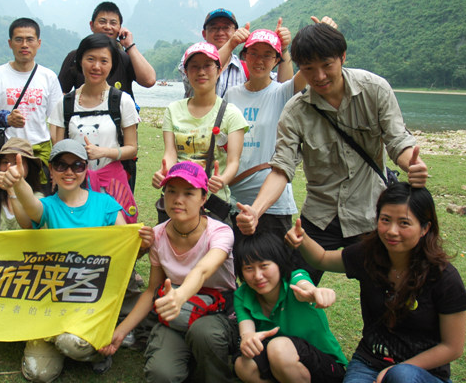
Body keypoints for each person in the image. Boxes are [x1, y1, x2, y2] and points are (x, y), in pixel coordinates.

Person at [235, 22, 429, 284]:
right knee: (294, 284)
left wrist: (411, 164)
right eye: (308, 68)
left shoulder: (374, 89)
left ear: (342, 57)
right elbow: (281, 168)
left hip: (369, 210)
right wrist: (256, 211)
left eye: (327, 65)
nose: (319, 76)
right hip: (320, 214)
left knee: (379, 288)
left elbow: (397, 140)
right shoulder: (295, 111)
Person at [286, 183, 466, 383]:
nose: (392, 231)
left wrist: (395, 371)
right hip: (370, 362)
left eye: (404, 223)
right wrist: (303, 239)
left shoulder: (443, 277)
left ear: (425, 228)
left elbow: (453, 347)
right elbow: (322, 258)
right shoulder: (369, 255)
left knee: (403, 379)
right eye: (385, 220)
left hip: (424, 375)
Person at [0, 139, 150, 383]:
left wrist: (142, 245)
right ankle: (59, 339)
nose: (69, 172)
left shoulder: (105, 204)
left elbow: (124, 249)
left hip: (91, 300)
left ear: (85, 169)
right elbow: (31, 206)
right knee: (39, 373)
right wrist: (18, 183)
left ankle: (93, 350)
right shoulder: (47, 207)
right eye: (61, 165)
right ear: (51, 169)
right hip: (52, 300)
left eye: (77, 165)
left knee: (71, 343)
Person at [101, 161, 237, 383]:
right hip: (176, 314)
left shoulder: (220, 233)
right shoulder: (158, 235)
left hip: (216, 311)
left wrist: (180, 295)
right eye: (171, 191)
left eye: (188, 193)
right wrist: (119, 333)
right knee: (160, 376)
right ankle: (194, 359)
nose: (178, 200)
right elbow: (151, 290)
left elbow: (203, 270)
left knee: (204, 334)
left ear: (203, 199)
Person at [225, 16, 335, 237]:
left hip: (273, 202)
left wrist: (323, 35)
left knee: (272, 259)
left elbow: (308, 69)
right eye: (253, 53)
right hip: (233, 199)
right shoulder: (231, 95)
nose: (259, 60)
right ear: (244, 56)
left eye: (268, 55)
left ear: (277, 60)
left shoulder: (283, 92)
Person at [232, 232, 347, 383]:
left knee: (278, 346)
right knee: (243, 364)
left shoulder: (294, 279)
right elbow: (247, 330)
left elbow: (304, 286)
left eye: (264, 266)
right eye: (248, 268)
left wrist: (314, 293)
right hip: (283, 366)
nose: (258, 275)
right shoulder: (243, 294)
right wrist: (247, 340)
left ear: (279, 263)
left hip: (327, 373)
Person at [153, 41, 248, 224]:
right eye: (194, 67)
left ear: (219, 70)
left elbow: (233, 161)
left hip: (213, 201)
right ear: (186, 73)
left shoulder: (231, 114)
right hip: (178, 198)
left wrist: (222, 179)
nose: (201, 72)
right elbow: (171, 153)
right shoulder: (173, 110)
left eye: (207, 66)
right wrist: (163, 172)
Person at [49, 33, 139, 224]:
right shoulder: (64, 104)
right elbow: (57, 150)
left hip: (112, 183)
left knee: (118, 234)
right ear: (80, 60)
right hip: (74, 184)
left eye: (104, 61)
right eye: (90, 59)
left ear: (112, 65)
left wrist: (103, 152)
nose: (96, 66)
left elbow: (132, 149)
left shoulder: (122, 101)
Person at [0, 17, 62, 174]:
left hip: (40, 149)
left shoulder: (48, 77)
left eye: (30, 39)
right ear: (10, 43)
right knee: (9, 188)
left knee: (41, 189)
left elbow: (56, 122)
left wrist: (58, 159)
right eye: (19, 39)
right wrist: (6, 118)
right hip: (9, 148)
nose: (24, 45)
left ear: (38, 43)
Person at [57, 1, 156, 100]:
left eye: (113, 23)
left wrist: (129, 45)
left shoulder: (124, 57)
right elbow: (60, 93)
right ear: (92, 25)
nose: (108, 27)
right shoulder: (75, 57)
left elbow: (149, 81)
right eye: (102, 22)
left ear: (119, 28)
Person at [0, 137, 45, 232]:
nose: (10, 168)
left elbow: (28, 225)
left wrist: (12, 190)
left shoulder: (37, 198)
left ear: (29, 167)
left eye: (17, 163)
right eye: (5, 162)